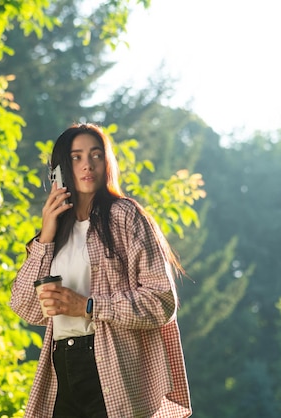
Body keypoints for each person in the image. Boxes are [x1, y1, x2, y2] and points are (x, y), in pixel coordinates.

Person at [10, 123, 192, 418]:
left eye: (96, 155)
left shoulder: (125, 216)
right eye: (76, 157)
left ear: (106, 162)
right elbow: (24, 306)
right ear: (59, 169)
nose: (87, 165)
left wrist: (88, 306)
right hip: (62, 367)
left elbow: (161, 301)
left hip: (111, 365)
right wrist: (45, 234)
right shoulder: (55, 233)